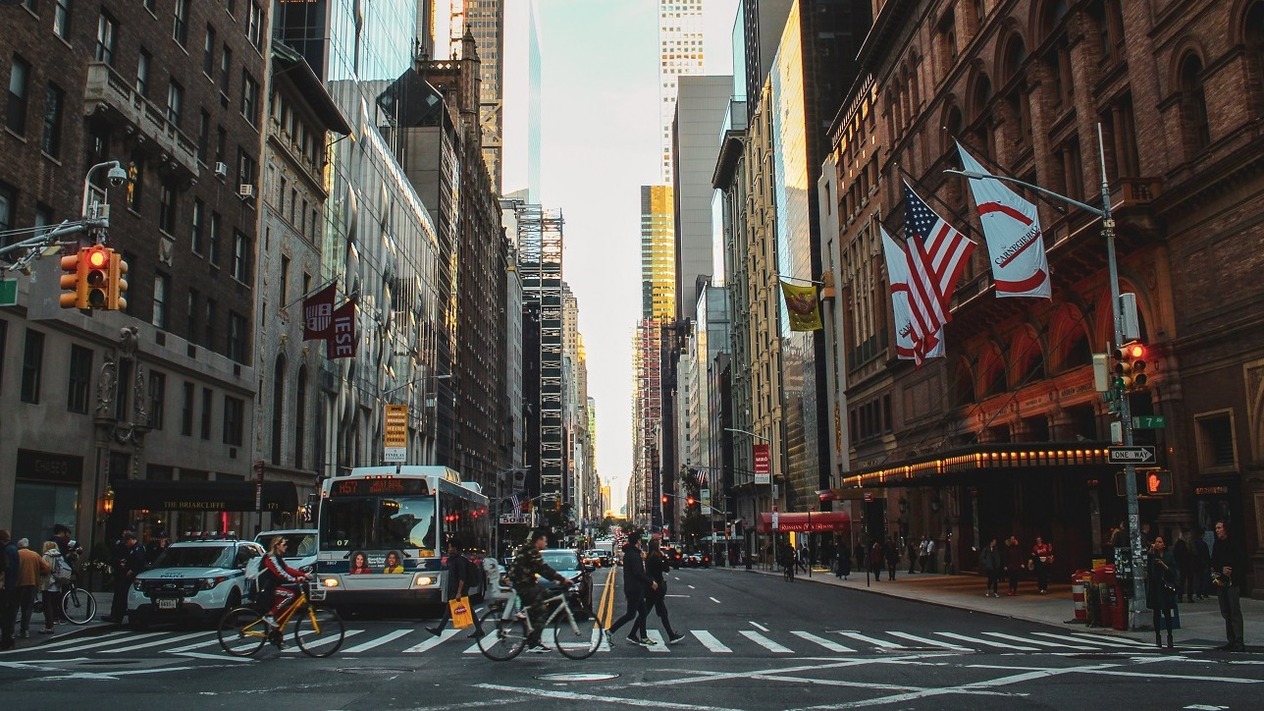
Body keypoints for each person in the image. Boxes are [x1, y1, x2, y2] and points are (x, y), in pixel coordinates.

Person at [510, 529, 572, 653]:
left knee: (548, 594)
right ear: (538, 540)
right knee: (542, 611)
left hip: (528, 583)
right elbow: (543, 568)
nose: (546, 544)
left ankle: (530, 618)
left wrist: (555, 580)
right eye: (545, 541)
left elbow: (540, 570)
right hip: (524, 585)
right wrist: (562, 579)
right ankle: (534, 642)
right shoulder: (531, 551)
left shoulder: (529, 549)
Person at [607, 532, 656, 647]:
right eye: (640, 540)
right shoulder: (633, 555)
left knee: (643, 612)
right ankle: (609, 631)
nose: (641, 542)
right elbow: (638, 572)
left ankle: (640, 636)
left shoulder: (631, 553)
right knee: (630, 614)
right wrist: (651, 582)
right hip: (634, 589)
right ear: (637, 541)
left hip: (635, 588)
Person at [258, 535, 311, 635]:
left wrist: (303, 574)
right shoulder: (270, 558)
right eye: (284, 544)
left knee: (285, 608)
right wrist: (295, 580)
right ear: (277, 545)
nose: (286, 546)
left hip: (273, 586)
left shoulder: (278, 557)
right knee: (290, 595)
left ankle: (277, 634)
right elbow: (281, 573)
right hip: (266, 588)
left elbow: (287, 569)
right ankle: (270, 615)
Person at [427, 540, 475, 636]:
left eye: (450, 547)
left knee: (449, 608)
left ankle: (439, 630)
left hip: (459, 589)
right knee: (465, 609)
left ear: (455, 548)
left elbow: (462, 577)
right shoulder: (453, 559)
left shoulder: (459, 560)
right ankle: (479, 629)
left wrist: (459, 592)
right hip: (456, 589)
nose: (448, 549)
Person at [1210, 520, 1246, 651]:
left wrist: (1232, 572)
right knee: (1225, 611)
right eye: (1216, 528)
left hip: (1232, 582)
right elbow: (1213, 562)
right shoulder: (1217, 545)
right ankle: (1231, 640)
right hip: (1221, 581)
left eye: (1219, 528)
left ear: (1225, 529)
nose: (1217, 530)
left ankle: (1239, 641)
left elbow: (1240, 561)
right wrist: (1221, 569)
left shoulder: (1233, 543)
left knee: (1234, 611)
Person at [644, 538, 685, 644]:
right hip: (656, 588)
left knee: (648, 612)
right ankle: (671, 636)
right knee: (660, 613)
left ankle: (632, 633)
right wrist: (664, 557)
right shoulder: (656, 557)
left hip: (652, 588)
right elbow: (666, 568)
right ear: (656, 546)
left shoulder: (649, 557)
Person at [103, 530, 146, 624]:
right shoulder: (131, 549)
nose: (126, 544)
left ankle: (118, 616)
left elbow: (140, 562)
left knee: (122, 596)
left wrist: (132, 570)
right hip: (124, 574)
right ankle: (115, 615)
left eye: (127, 542)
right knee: (119, 595)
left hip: (131, 577)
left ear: (130, 539)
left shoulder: (138, 548)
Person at [14, 538, 51, 639]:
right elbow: (47, 568)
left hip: (17, 584)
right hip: (31, 583)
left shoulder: (16, 554)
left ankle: (10, 631)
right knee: (27, 608)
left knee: (14, 608)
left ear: (19, 546)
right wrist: (38, 572)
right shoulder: (34, 555)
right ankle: (25, 630)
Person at [1147, 536, 1178, 649]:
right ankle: (1158, 636)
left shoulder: (1169, 556)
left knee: (1167, 612)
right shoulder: (1152, 555)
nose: (1157, 544)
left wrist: (1163, 564)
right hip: (1155, 588)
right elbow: (1149, 571)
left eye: (1160, 542)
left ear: (1164, 544)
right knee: (1156, 613)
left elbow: (1173, 572)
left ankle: (1170, 636)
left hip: (1165, 588)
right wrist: (1151, 552)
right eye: (1156, 542)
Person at [39, 541, 64, 634]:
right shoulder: (60, 556)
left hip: (48, 583)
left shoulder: (46, 556)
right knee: (54, 604)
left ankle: (49, 626)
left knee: (47, 605)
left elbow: (43, 569)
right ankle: (54, 621)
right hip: (57, 584)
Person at [0, 529, 19, 650]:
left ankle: (7, 639)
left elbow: (6, 569)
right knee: (7, 615)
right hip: (10, 586)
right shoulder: (13, 549)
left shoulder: (6, 550)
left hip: (5, 587)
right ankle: (9, 638)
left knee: (4, 615)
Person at [1172, 530, 1194, 604]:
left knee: (1183, 582)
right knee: (1184, 582)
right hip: (1184, 565)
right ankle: (1185, 597)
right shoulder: (1182, 544)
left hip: (1184, 566)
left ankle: (1181, 597)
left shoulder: (1183, 544)